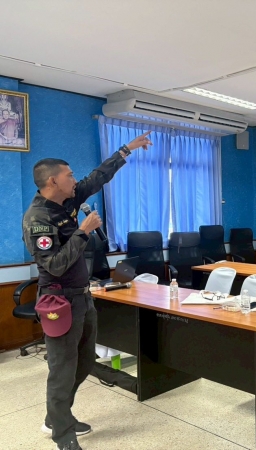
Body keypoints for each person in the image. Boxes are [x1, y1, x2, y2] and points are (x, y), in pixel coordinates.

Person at [22, 131, 153, 450]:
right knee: (62, 370)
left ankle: (57, 417)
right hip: (58, 301)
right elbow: (54, 265)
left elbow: (98, 177)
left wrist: (127, 149)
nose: (75, 179)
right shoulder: (38, 219)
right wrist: (82, 232)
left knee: (82, 363)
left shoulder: (69, 198)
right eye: (69, 175)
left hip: (83, 296)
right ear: (52, 181)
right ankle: (62, 434)